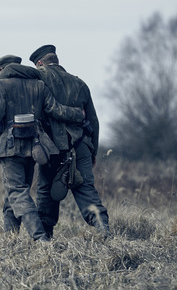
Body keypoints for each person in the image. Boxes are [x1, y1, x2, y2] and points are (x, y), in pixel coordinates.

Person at [0, 54, 84, 242]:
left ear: (3, 70)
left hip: (10, 147)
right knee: (17, 191)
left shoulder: (1, 86)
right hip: (34, 147)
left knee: (17, 192)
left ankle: (40, 238)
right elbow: (55, 109)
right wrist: (78, 113)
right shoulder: (38, 85)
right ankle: (10, 238)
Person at [29, 45, 111, 239]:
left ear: (40, 63)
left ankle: (45, 239)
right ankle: (103, 230)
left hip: (51, 148)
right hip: (80, 146)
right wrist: (93, 153)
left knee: (46, 192)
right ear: (56, 61)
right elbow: (94, 121)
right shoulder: (79, 83)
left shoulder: (38, 79)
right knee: (86, 190)